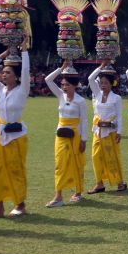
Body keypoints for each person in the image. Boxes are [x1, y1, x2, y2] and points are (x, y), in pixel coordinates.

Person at [0, 48, 31, 219]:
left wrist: (24, 52)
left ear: (16, 76)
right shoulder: (0, 89)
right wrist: (2, 55)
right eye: (3, 72)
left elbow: (26, 70)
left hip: (16, 136)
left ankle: (20, 204)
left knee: (15, 171)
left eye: (8, 72)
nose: (3, 75)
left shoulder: (22, 90)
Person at [45, 62, 88, 206]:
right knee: (60, 164)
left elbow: (84, 121)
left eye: (67, 85)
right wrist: (61, 69)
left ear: (75, 85)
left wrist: (84, 140)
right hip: (61, 135)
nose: (64, 87)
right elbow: (48, 80)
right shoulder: (60, 95)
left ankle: (78, 192)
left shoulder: (80, 101)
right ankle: (58, 196)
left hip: (75, 136)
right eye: (63, 84)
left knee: (76, 164)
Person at [87, 62, 126, 194]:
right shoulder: (97, 95)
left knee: (112, 158)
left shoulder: (116, 98)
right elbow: (90, 79)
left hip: (110, 132)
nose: (103, 85)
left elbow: (119, 116)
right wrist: (101, 67)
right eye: (101, 83)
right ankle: (99, 183)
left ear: (111, 84)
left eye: (106, 83)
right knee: (95, 157)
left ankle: (120, 182)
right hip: (97, 131)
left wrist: (119, 132)